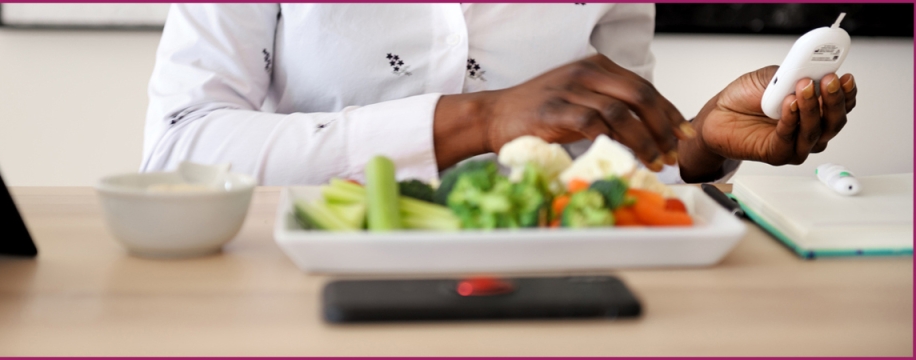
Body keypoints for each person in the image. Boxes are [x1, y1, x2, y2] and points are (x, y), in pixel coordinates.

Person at [141, 4, 857, 185]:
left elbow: (593, 160)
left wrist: (694, 145)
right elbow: (180, 151)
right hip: (301, 290)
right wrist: (477, 119)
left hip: (547, 299)